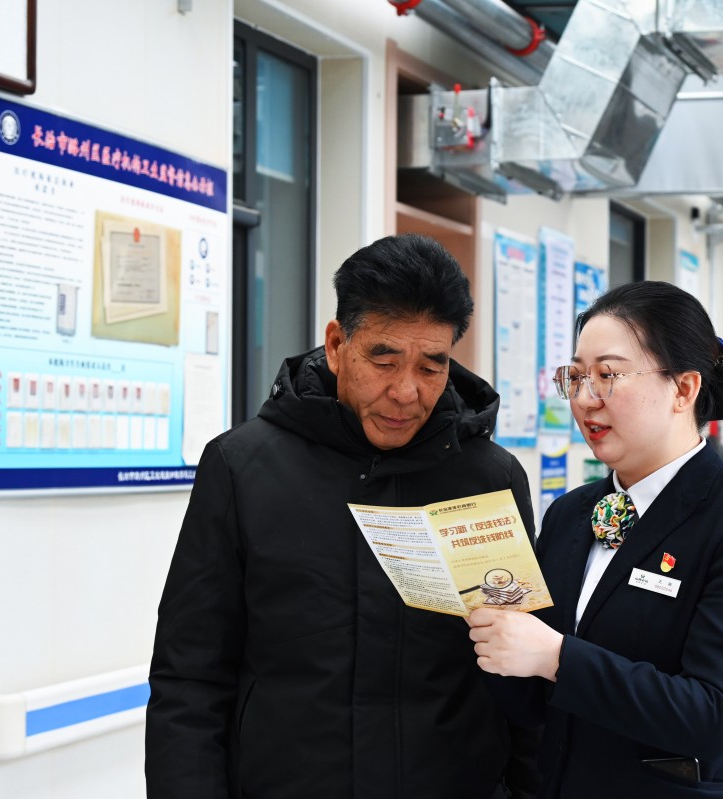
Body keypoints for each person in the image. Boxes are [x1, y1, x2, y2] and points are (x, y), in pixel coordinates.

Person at [146, 234, 538, 799]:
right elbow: (190, 677)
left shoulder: (488, 480)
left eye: (432, 367)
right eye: (384, 359)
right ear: (336, 345)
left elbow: (523, 673)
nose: (406, 392)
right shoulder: (243, 469)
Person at [467, 280, 723, 798]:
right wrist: (490, 625)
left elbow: (715, 716)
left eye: (608, 376)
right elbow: (533, 703)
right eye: (576, 377)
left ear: (684, 389)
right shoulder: (571, 514)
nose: (585, 399)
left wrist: (556, 656)